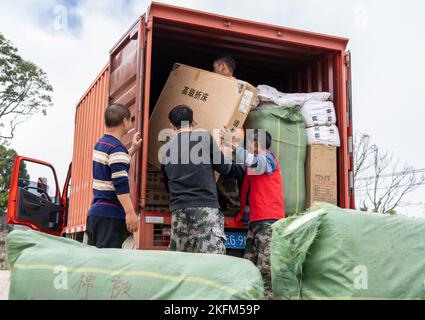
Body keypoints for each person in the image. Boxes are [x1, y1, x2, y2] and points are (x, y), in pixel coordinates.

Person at [223, 128, 285, 300]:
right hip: (255, 223)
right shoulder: (252, 166)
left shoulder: (268, 158)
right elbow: (239, 177)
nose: (248, 145)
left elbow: (258, 163)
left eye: (250, 142)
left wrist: (237, 149)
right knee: (250, 267)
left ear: (258, 144)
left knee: (266, 270)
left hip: (269, 222)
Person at [161, 105, 232, 254]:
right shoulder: (204, 138)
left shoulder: (165, 151)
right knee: (211, 265)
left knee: (182, 266)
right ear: (193, 122)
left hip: (179, 214)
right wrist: (227, 144)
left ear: (172, 125)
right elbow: (225, 168)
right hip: (205, 210)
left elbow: (167, 186)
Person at [86, 103, 142, 249]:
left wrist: (133, 149)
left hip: (96, 214)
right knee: (106, 264)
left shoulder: (101, 144)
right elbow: (120, 183)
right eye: (130, 120)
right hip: (110, 217)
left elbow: (114, 164)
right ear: (124, 122)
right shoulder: (117, 149)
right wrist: (130, 213)